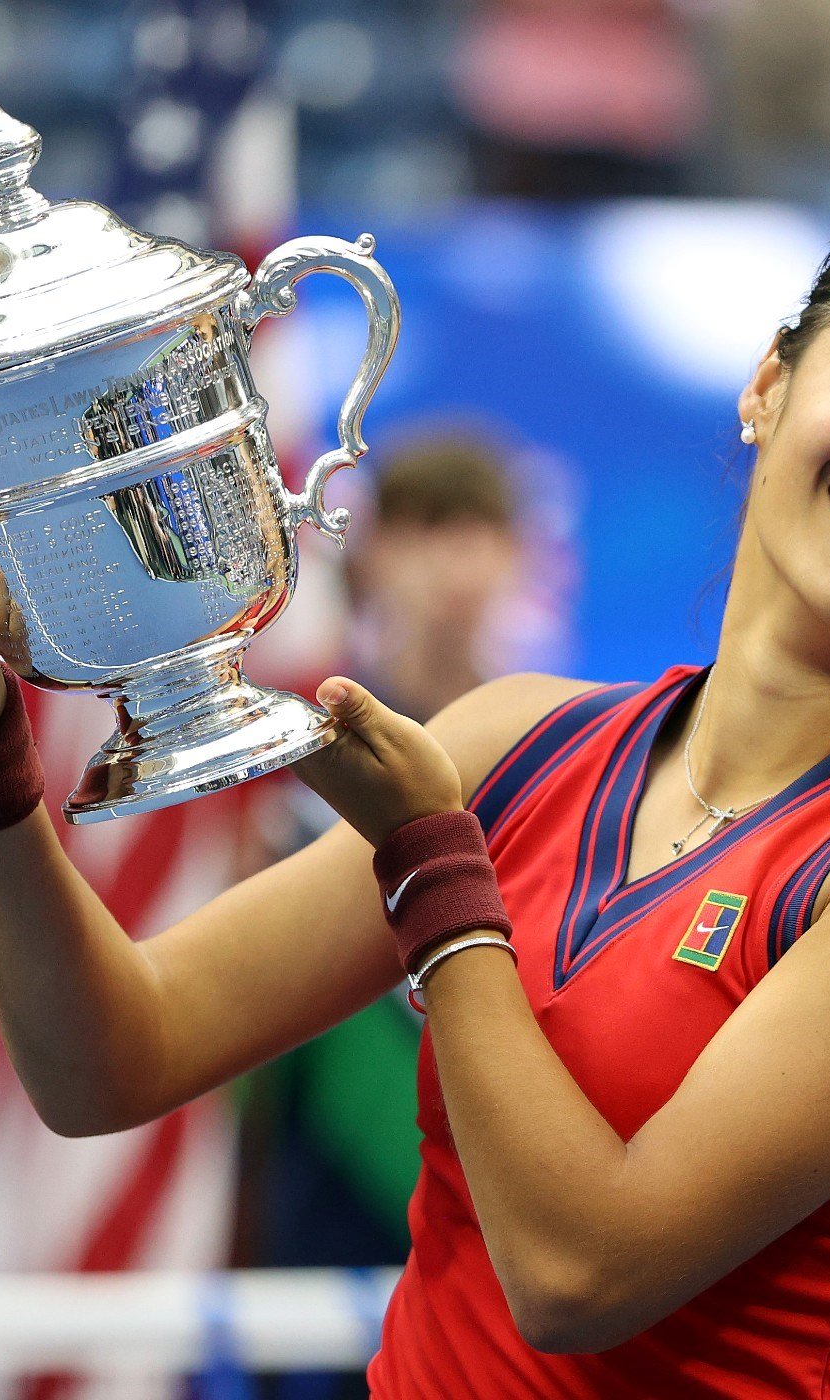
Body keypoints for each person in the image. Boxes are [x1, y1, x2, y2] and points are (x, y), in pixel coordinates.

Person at [0, 198, 830, 1397]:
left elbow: (583, 1276)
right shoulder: (519, 739)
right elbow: (105, 1061)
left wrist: (437, 871)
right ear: (769, 384)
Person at [239, 431, 530, 1276]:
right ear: (378, 557)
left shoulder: (560, 748)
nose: (457, 567)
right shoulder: (307, 759)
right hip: (323, 1221)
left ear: (514, 559)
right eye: (428, 531)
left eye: (479, 534)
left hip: (510, 1203)